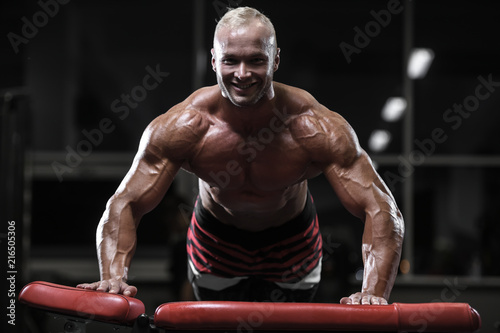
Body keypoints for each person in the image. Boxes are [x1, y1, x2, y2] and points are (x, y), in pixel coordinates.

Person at [77, 6, 404, 305]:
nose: (243, 73)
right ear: (214, 61)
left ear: (275, 60)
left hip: (292, 239)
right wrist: (113, 278)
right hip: (215, 240)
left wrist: (373, 294)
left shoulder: (314, 127)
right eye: (231, 60)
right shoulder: (185, 127)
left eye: (256, 60)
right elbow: (125, 203)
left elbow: (380, 207)